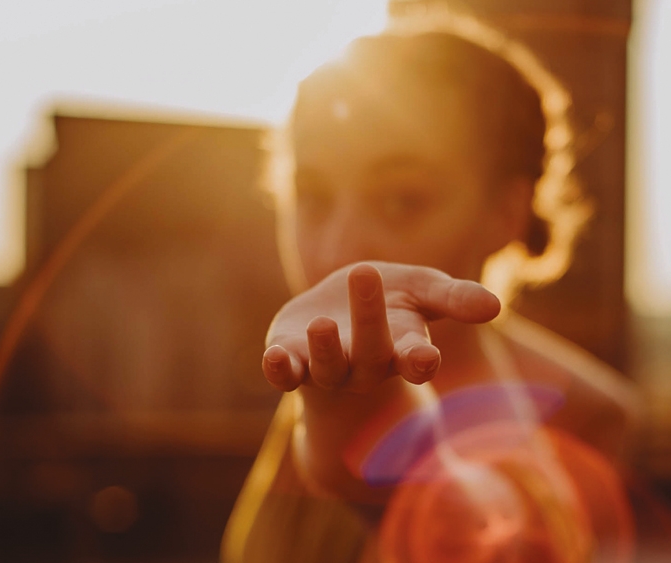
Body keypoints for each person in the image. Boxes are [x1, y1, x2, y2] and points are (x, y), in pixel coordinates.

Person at [222, 9, 640, 563]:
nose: (340, 251)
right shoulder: (322, 354)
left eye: (401, 200)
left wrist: (371, 443)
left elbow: (475, 518)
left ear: (505, 213)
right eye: (313, 196)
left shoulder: (584, 418)